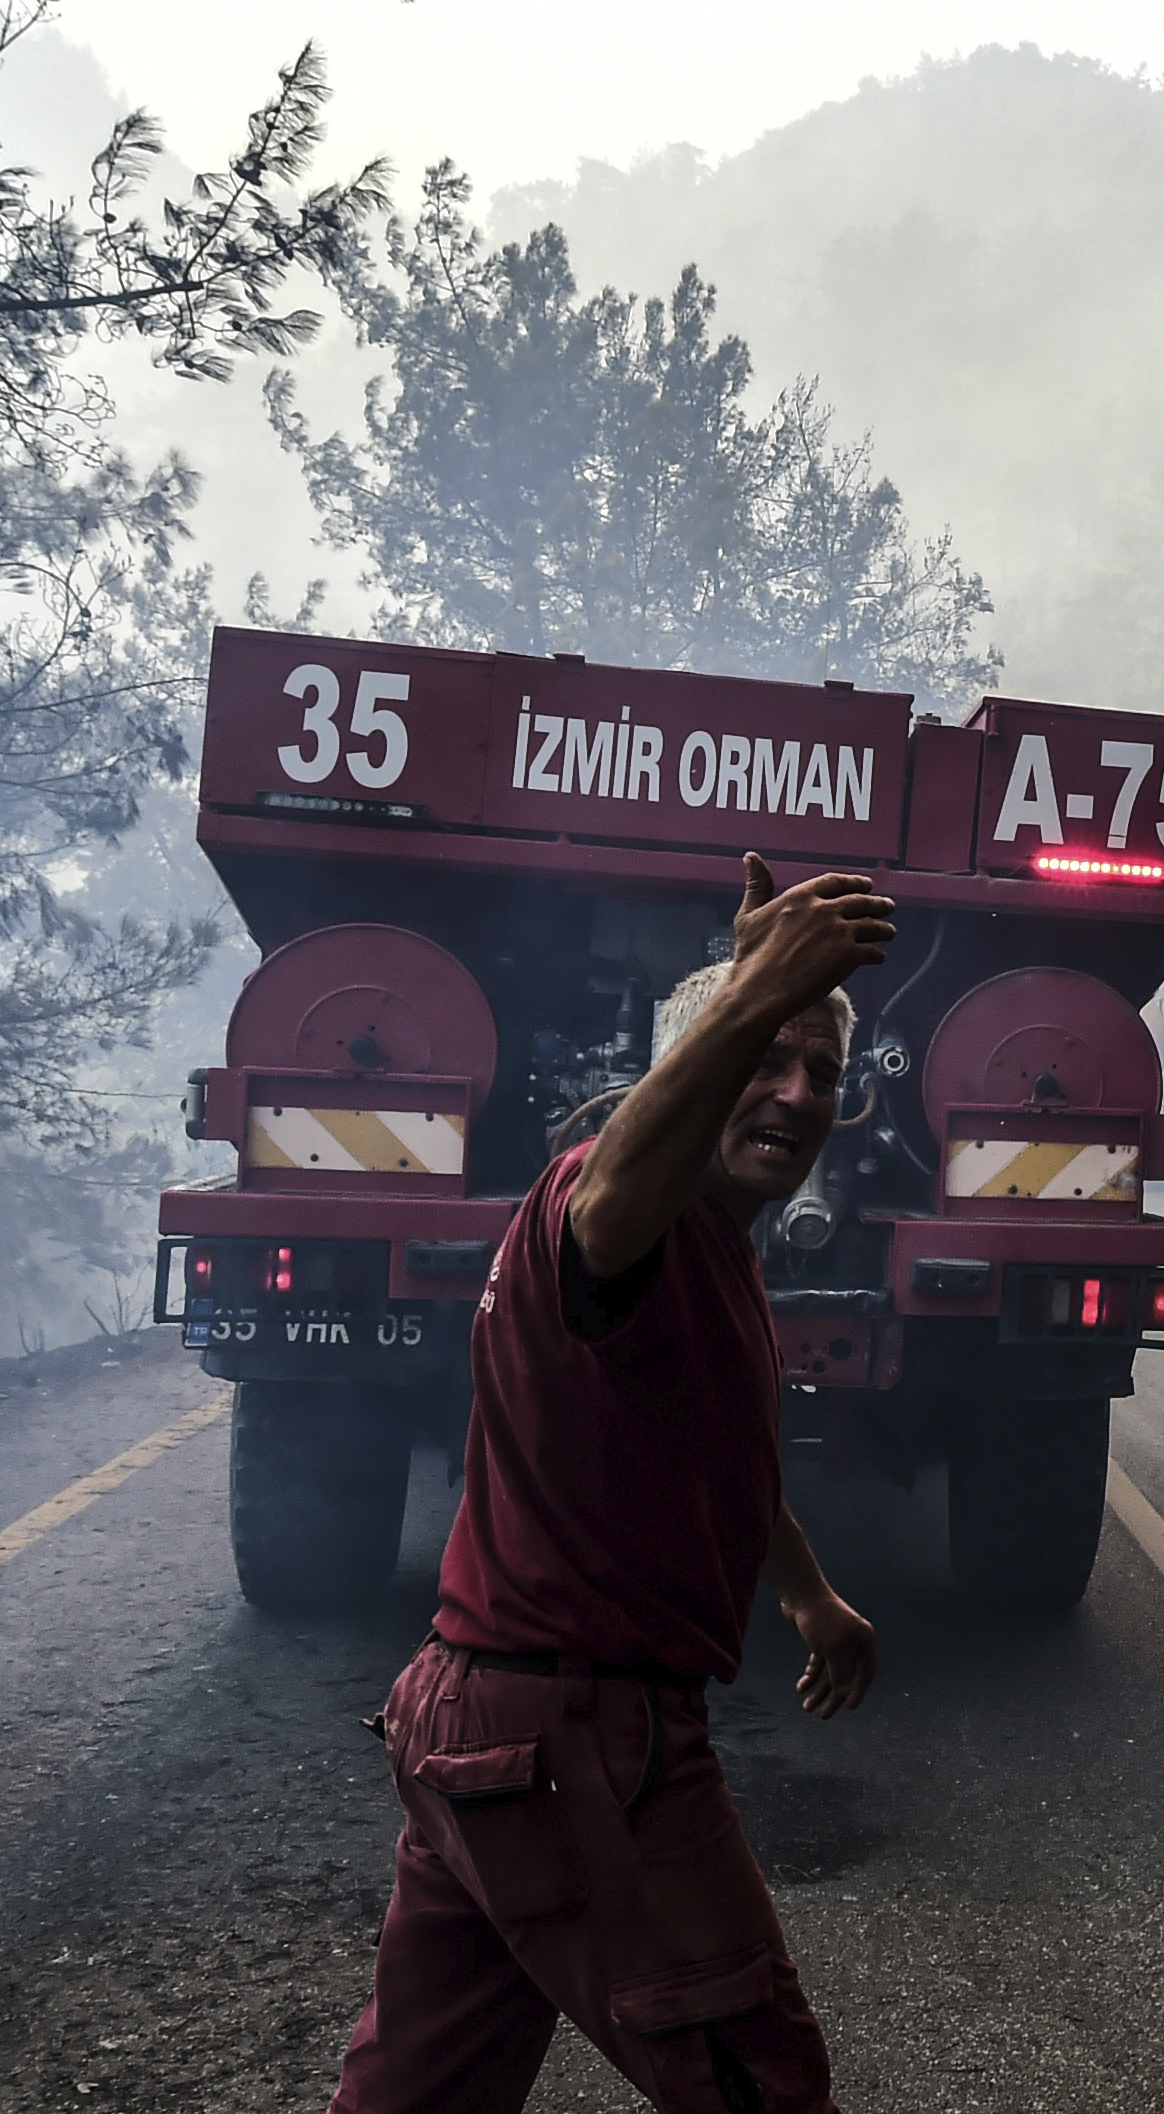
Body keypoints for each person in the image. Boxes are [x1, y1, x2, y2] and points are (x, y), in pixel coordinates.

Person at [327, 853, 898, 2114]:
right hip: (574, 1744)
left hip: (472, 1728)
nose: (797, 1093)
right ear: (692, 1067)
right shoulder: (609, 1205)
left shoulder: (714, 1248)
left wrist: (806, 1595)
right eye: (767, 1055)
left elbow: (711, 1455)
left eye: (823, 1073)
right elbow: (611, 1194)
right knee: (762, 2082)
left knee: (419, 2093)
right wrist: (754, 993)